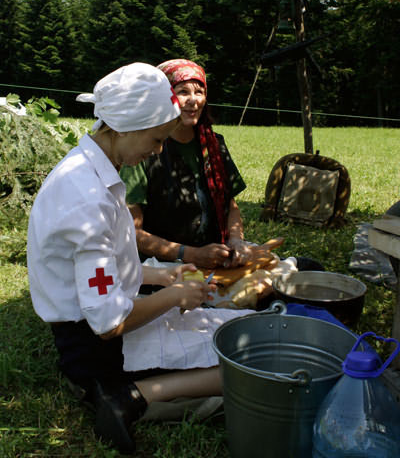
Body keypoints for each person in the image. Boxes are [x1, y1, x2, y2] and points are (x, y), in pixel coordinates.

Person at [27, 63, 251, 453]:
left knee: (243, 328)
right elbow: (109, 323)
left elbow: (100, 270)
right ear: (126, 127)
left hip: (94, 329)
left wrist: (163, 277)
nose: (158, 149)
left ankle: (126, 389)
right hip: (94, 349)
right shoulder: (86, 198)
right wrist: (174, 297)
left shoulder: (91, 169)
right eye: (157, 138)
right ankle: (127, 395)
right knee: (245, 358)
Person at [120, 59, 283, 275]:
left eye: (199, 92)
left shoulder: (213, 145)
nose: (193, 100)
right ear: (164, 98)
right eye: (183, 92)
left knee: (288, 272)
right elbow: (132, 232)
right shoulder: (144, 150)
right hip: (162, 266)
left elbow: (230, 205)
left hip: (215, 258)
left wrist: (236, 240)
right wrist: (191, 254)